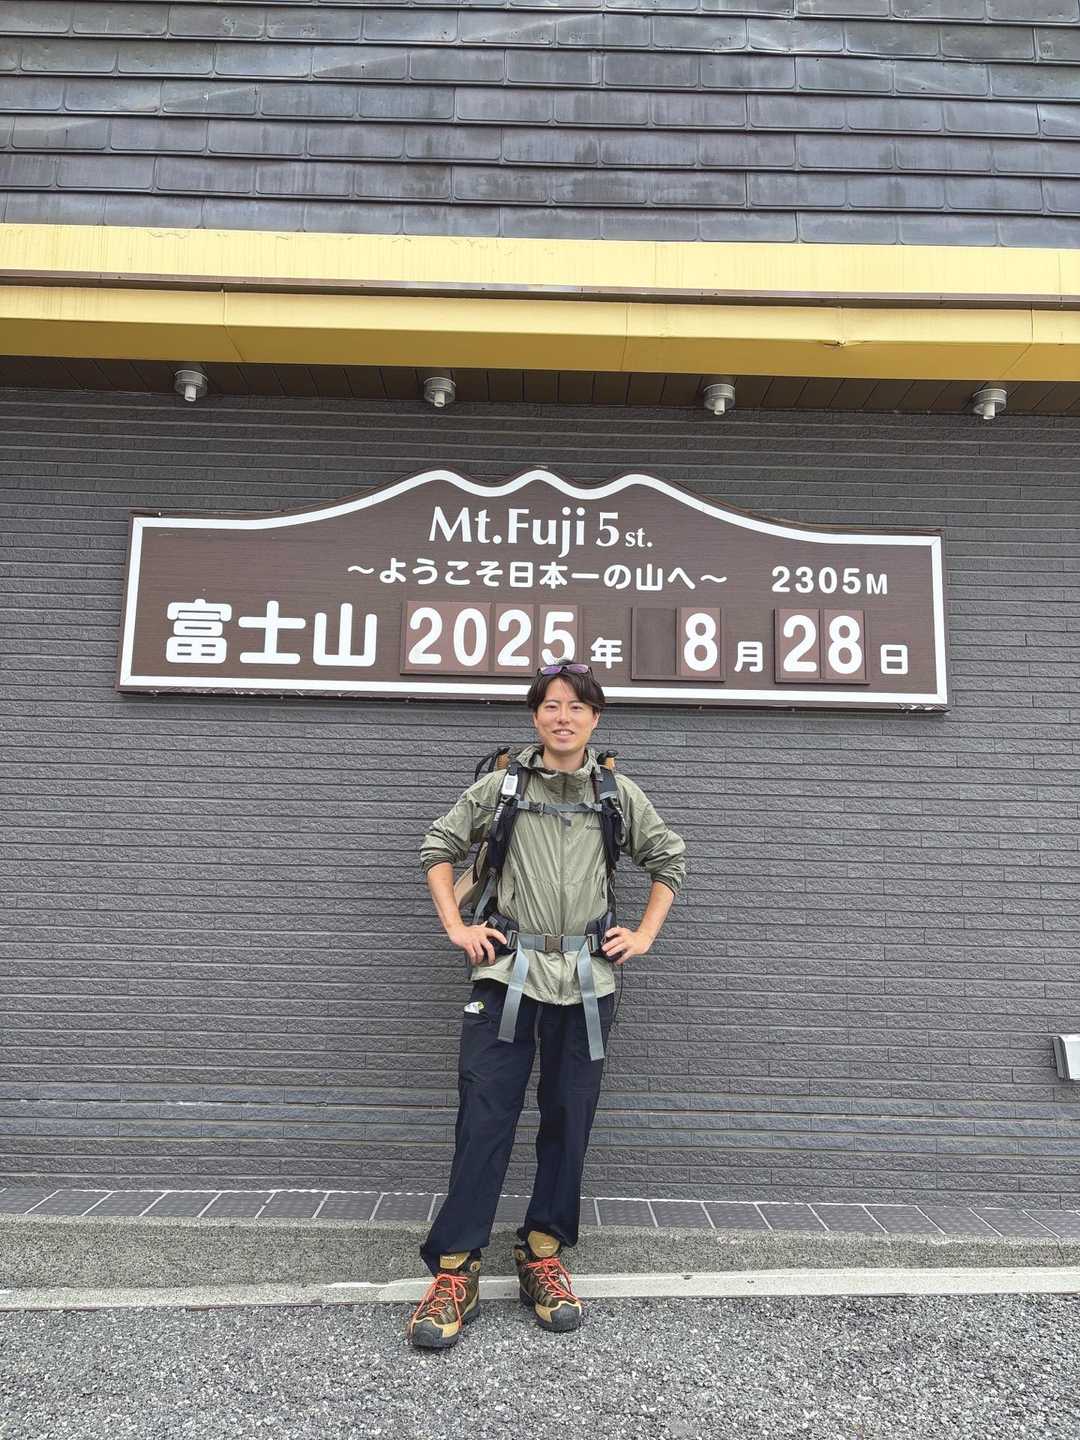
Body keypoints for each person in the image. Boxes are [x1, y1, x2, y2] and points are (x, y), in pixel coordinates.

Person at [406, 661, 687, 1349]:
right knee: (484, 1118)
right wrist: (456, 926)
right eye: (552, 705)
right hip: (506, 976)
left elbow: (669, 860)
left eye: (577, 707)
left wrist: (644, 935)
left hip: (588, 985)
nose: (564, 717)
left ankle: (542, 1254)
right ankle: (455, 1270)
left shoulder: (617, 794)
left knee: (569, 1118)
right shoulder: (502, 787)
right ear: (536, 716)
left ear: (595, 718)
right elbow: (438, 846)